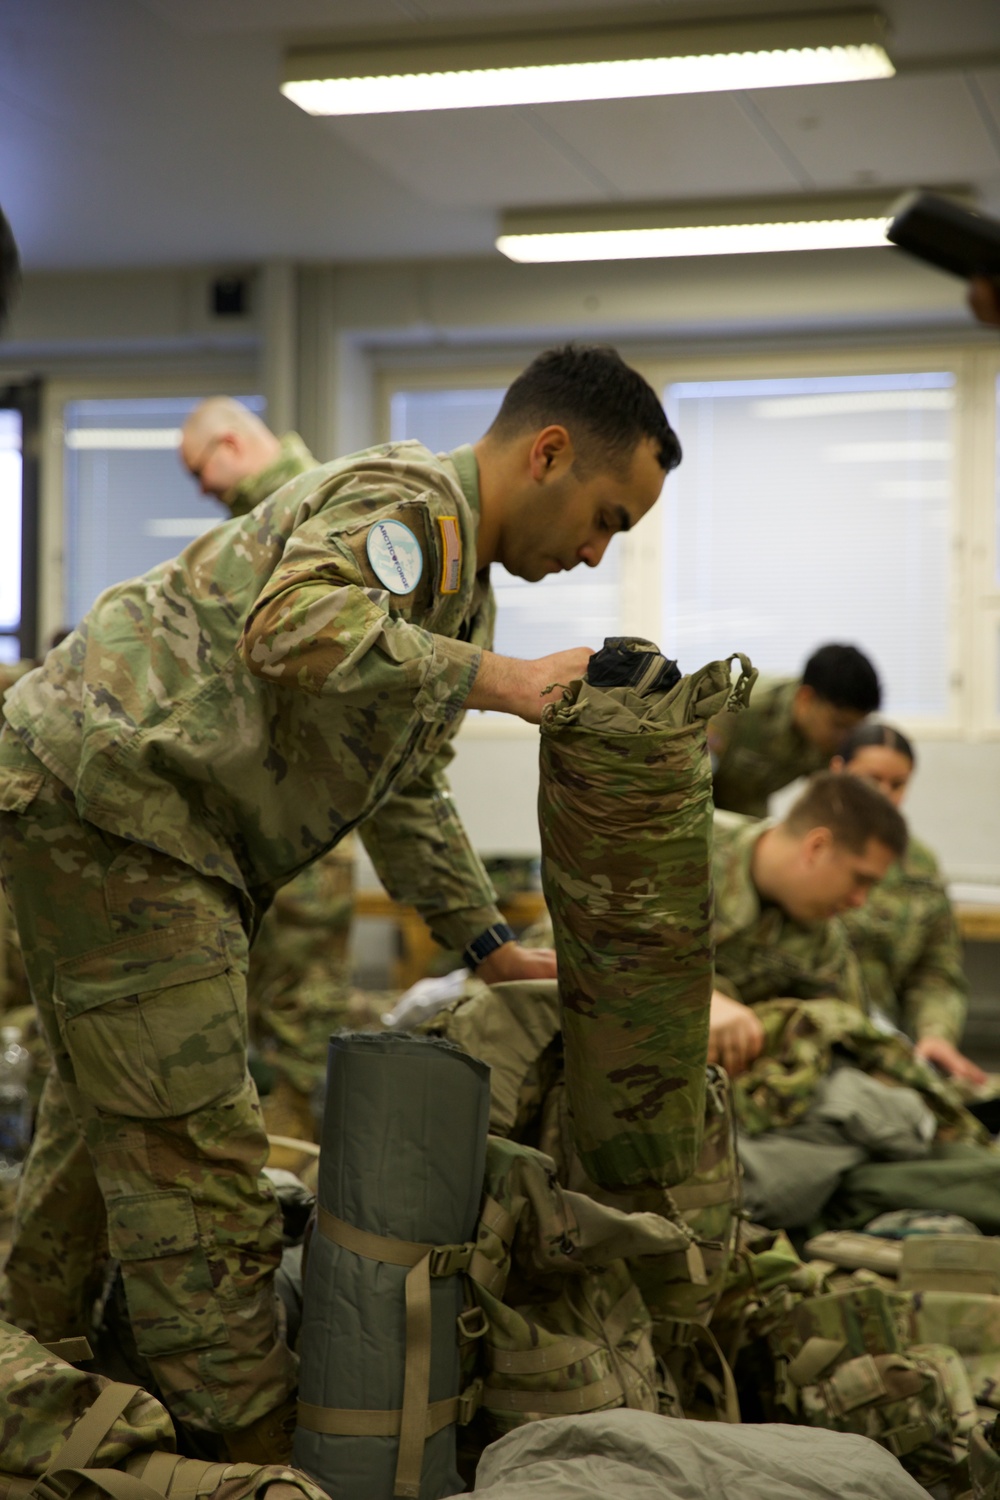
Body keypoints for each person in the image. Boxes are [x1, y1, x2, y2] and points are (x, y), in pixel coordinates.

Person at [0, 344, 680, 1461]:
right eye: (605, 517)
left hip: (151, 820)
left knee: (99, 1136)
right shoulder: (405, 505)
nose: (596, 552)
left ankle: (40, 1390)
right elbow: (289, 624)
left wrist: (485, 942)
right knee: (200, 1170)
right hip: (116, 802)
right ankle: (255, 1464)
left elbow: (401, 784)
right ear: (547, 452)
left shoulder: (462, 601)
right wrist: (506, 686)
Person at [181, 400, 356, 1140]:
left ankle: (290, 1173)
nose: (200, 488)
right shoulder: (271, 519)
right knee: (270, 1014)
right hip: (268, 810)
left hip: (294, 810)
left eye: (200, 470)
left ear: (229, 442)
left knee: (293, 1022)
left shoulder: (302, 512)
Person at [708, 770, 904, 1078]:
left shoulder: (823, 938)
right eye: (860, 880)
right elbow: (608, 949)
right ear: (817, 847)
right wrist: (698, 1001)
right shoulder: (683, 847)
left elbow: (852, 1034)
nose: (859, 901)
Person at [830, 722, 986, 1086]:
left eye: (897, 784)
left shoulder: (919, 867)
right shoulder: (804, 848)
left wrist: (935, 1034)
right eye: (871, 779)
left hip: (890, 1047)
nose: (884, 794)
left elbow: (935, 972)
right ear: (838, 771)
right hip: (809, 1040)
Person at [709, 643, 881, 818]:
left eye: (853, 729)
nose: (844, 738)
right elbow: (688, 788)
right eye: (838, 724)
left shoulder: (827, 735)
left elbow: (829, 803)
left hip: (745, 809)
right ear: (806, 697)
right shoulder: (732, 707)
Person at [179, 397, 316, 518]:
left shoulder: (322, 501)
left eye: (198, 473)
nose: (202, 490)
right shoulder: (239, 529)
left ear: (231, 445)